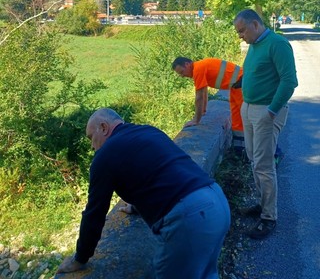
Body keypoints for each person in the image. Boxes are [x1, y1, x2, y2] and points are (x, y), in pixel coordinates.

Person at [56, 108, 231, 278]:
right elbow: (161, 172)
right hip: (217, 202)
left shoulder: (105, 155)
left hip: (191, 217)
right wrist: (139, 206)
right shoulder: (148, 131)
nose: (93, 146)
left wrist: (80, 258)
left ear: (103, 127)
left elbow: (95, 212)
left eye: (91, 138)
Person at [233, 9, 298, 239]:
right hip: (249, 108)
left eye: (242, 30)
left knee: (264, 164)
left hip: (266, 111)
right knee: (253, 159)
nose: (240, 35)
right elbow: (254, 73)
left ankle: (269, 217)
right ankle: (262, 204)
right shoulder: (254, 45)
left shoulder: (277, 44)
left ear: (255, 24)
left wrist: (271, 112)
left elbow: (289, 81)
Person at [172, 57, 244, 148]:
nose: (182, 76)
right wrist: (203, 110)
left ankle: (250, 148)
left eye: (182, 72)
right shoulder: (200, 66)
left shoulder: (198, 69)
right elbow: (204, 92)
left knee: (246, 117)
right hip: (236, 87)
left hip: (242, 85)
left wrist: (196, 120)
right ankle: (241, 148)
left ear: (187, 64)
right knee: (238, 119)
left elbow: (199, 97)